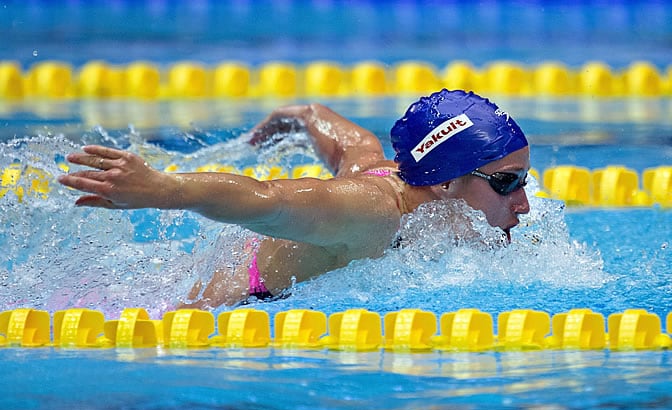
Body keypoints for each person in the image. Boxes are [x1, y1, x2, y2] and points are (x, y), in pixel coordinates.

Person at [58, 89, 531, 309]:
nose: (525, 204)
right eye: (507, 182)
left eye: (524, 181)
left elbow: (352, 144)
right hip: (217, 306)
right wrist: (162, 189)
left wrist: (306, 114)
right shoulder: (373, 211)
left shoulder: (398, 178)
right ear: (446, 181)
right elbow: (267, 200)